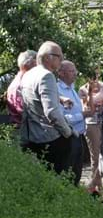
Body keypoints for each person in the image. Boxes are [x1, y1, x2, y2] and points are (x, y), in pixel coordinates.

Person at [20, 41, 73, 174]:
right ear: (48, 57)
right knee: (62, 180)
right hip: (50, 139)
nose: (62, 60)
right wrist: (67, 132)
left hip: (32, 136)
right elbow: (52, 112)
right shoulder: (46, 76)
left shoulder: (28, 74)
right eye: (59, 56)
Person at [57, 60, 87, 186]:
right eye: (72, 71)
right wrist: (83, 115)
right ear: (62, 73)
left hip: (79, 135)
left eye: (75, 71)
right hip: (67, 137)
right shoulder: (58, 90)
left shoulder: (72, 89)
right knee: (68, 171)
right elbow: (62, 118)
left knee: (77, 171)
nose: (75, 74)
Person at [79, 72, 103, 195]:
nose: (94, 79)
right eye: (91, 77)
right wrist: (90, 92)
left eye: (96, 75)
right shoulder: (83, 90)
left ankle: (96, 184)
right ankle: (95, 186)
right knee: (95, 155)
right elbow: (87, 108)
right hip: (92, 123)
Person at [7, 50, 36, 127]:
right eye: (37, 64)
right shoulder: (20, 85)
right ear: (29, 64)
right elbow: (24, 112)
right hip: (25, 131)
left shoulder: (23, 81)